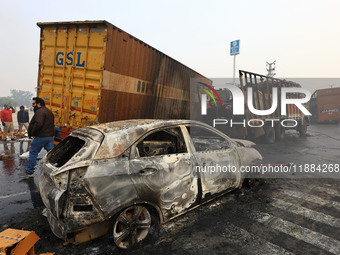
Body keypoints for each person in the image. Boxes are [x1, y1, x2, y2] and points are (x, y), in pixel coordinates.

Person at [20, 97, 55, 178]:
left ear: (39, 104)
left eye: (34, 103)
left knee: (33, 153)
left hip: (41, 137)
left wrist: (33, 133)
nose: (32, 105)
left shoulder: (40, 112)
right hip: (50, 137)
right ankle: (55, 170)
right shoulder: (49, 111)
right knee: (51, 155)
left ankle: (29, 172)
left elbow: (39, 124)